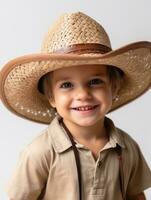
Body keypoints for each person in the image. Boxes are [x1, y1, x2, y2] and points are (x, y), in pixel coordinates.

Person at [0, 12, 151, 200]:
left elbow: (135, 194)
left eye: (95, 81)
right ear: (51, 97)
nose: (83, 95)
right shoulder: (40, 153)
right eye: (66, 85)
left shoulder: (127, 147)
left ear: (113, 87)